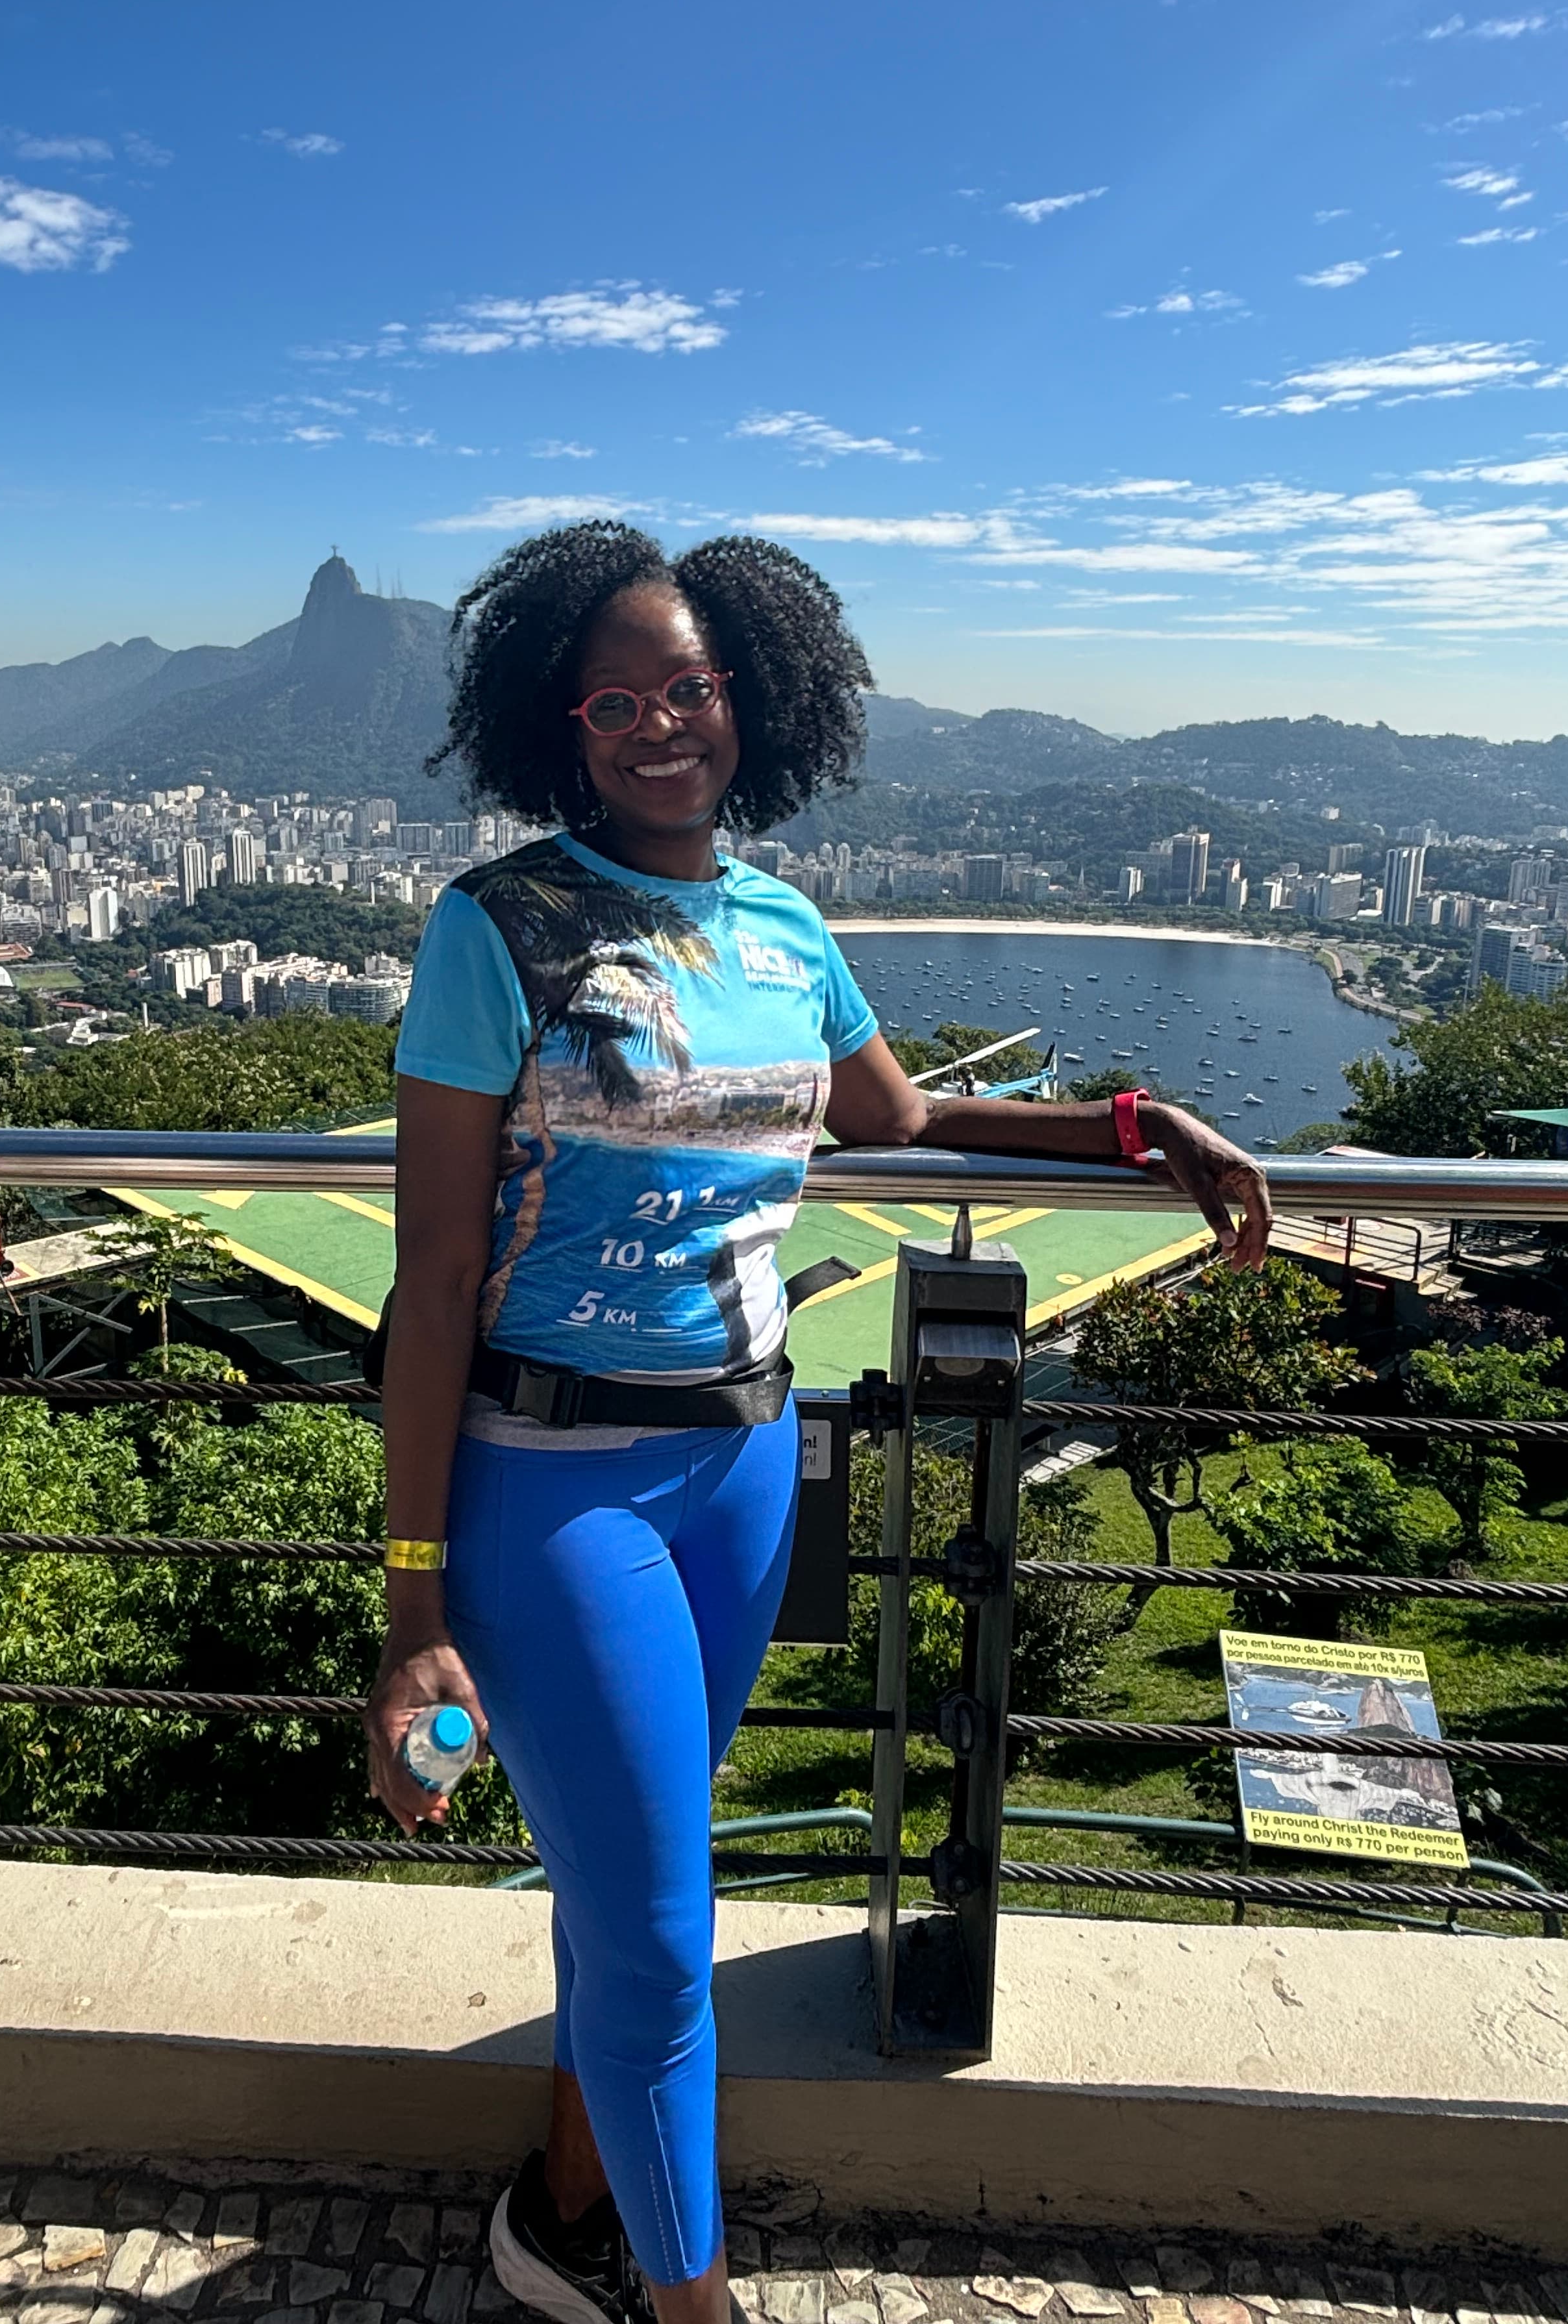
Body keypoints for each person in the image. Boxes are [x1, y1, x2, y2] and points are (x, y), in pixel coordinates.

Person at [364, 522, 1270, 2324]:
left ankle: (563, 2214)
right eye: (615, 698)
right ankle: (692, 2305)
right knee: (659, 1939)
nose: (657, 725)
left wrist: (1129, 1130)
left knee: (639, 1882)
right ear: (563, 722)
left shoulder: (781, 921)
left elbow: (901, 1117)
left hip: (745, 1464)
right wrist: (411, 1617)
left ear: (752, 701)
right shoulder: (503, 932)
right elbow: (438, 1280)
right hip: (557, 1490)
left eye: (690, 688)